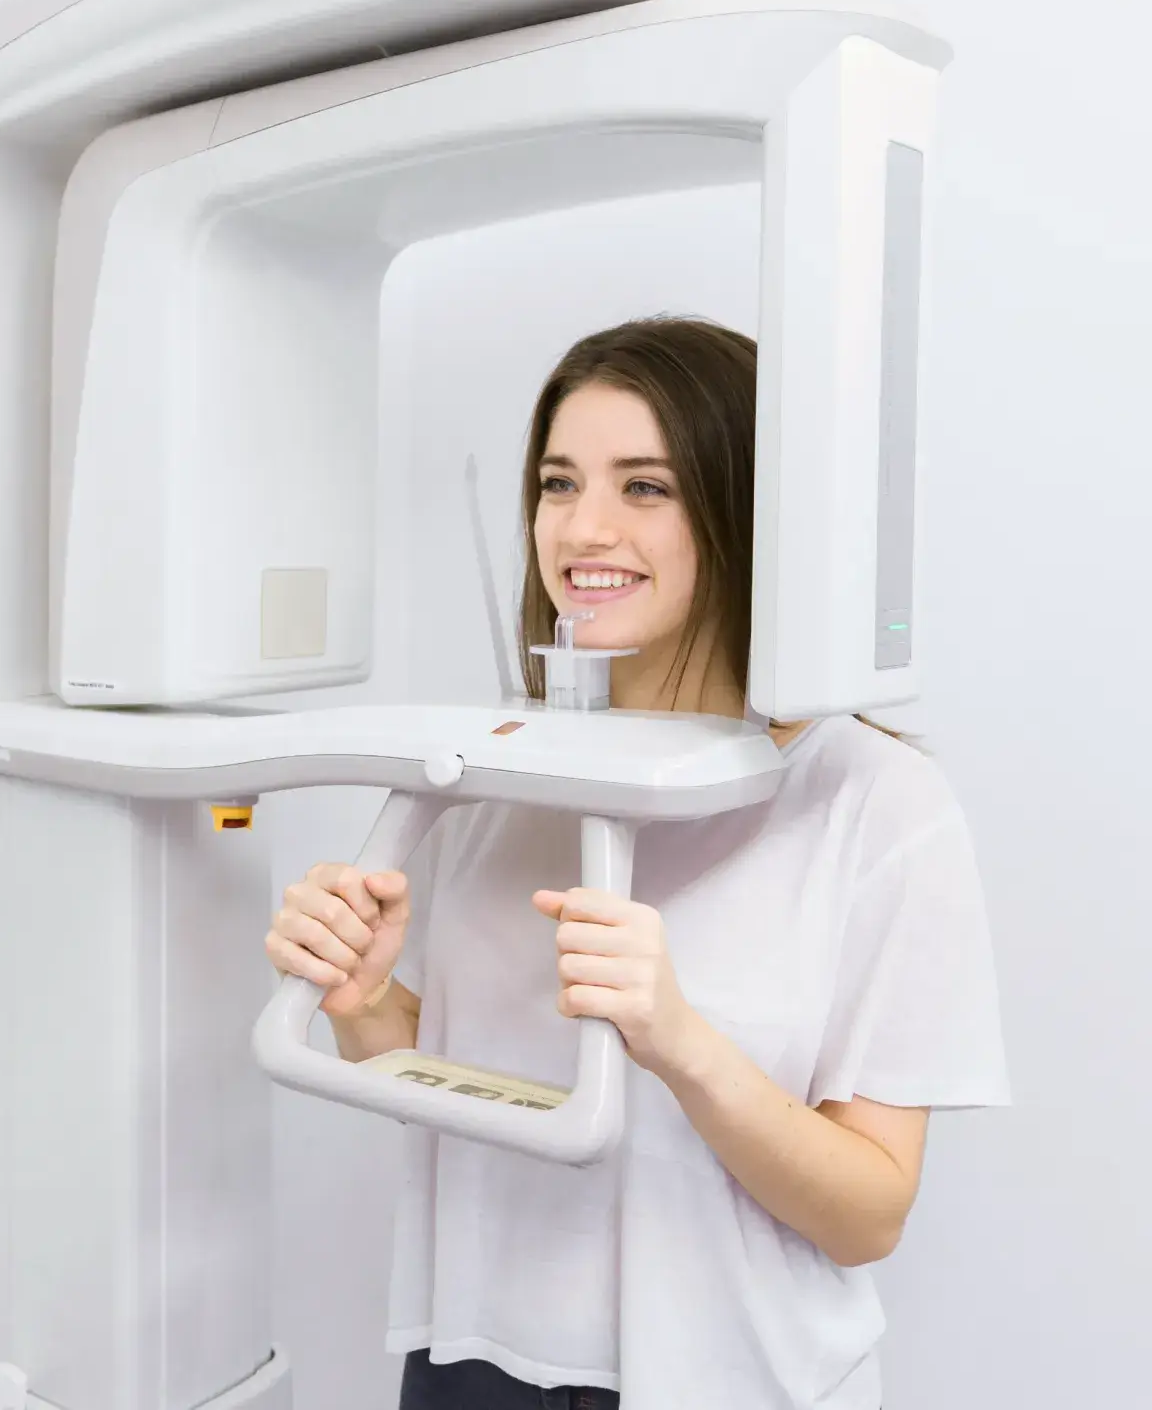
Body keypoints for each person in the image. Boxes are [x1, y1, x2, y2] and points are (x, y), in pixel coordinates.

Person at [264, 318, 1009, 1410]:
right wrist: (365, 1002)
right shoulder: (504, 768)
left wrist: (681, 1043)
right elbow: (472, 1081)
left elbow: (871, 1211)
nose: (584, 528)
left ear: (744, 509)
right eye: (559, 482)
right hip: (475, 1363)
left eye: (646, 486)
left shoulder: (880, 805)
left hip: (729, 1379)